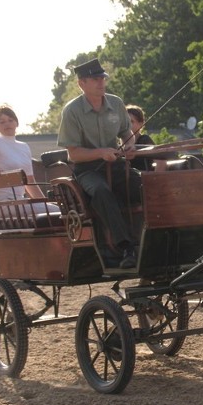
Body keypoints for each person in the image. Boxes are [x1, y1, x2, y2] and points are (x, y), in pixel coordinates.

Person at [57, 58, 141, 269]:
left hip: (116, 164)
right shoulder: (72, 111)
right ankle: (126, 247)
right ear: (81, 83)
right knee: (102, 192)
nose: (101, 82)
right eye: (95, 79)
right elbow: (74, 154)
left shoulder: (116, 103)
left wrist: (129, 146)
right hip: (87, 170)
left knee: (143, 185)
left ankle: (154, 236)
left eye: (102, 78)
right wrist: (101, 153)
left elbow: (127, 133)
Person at [0, 104, 60, 216]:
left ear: (16, 123)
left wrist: (44, 202)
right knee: (57, 212)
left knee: (58, 209)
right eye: (2, 122)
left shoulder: (24, 147)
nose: (7, 124)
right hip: (2, 204)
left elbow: (29, 182)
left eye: (10, 120)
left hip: (20, 201)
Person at [126, 104, 155, 171]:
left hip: (142, 179)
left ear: (141, 124)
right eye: (125, 122)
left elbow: (160, 162)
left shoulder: (145, 140)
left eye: (131, 121)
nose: (127, 125)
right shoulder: (119, 143)